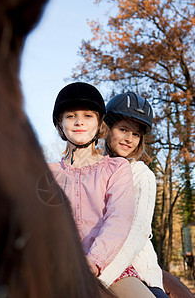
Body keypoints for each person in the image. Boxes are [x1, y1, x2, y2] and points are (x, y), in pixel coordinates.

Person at [49, 82, 155, 298]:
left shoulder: (119, 169)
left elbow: (120, 219)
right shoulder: (47, 173)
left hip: (111, 266)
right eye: (70, 116)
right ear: (60, 124)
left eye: (88, 116)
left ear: (99, 125)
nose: (79, 122)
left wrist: (94, 262)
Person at [99, 91, 169, 298]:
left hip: (134, 268)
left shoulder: (141, 175)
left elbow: (137, 232)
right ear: (107, 129)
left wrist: (103, 273)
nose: (129, 139)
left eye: (136, 134)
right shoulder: (94, 170)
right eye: (123, 129)